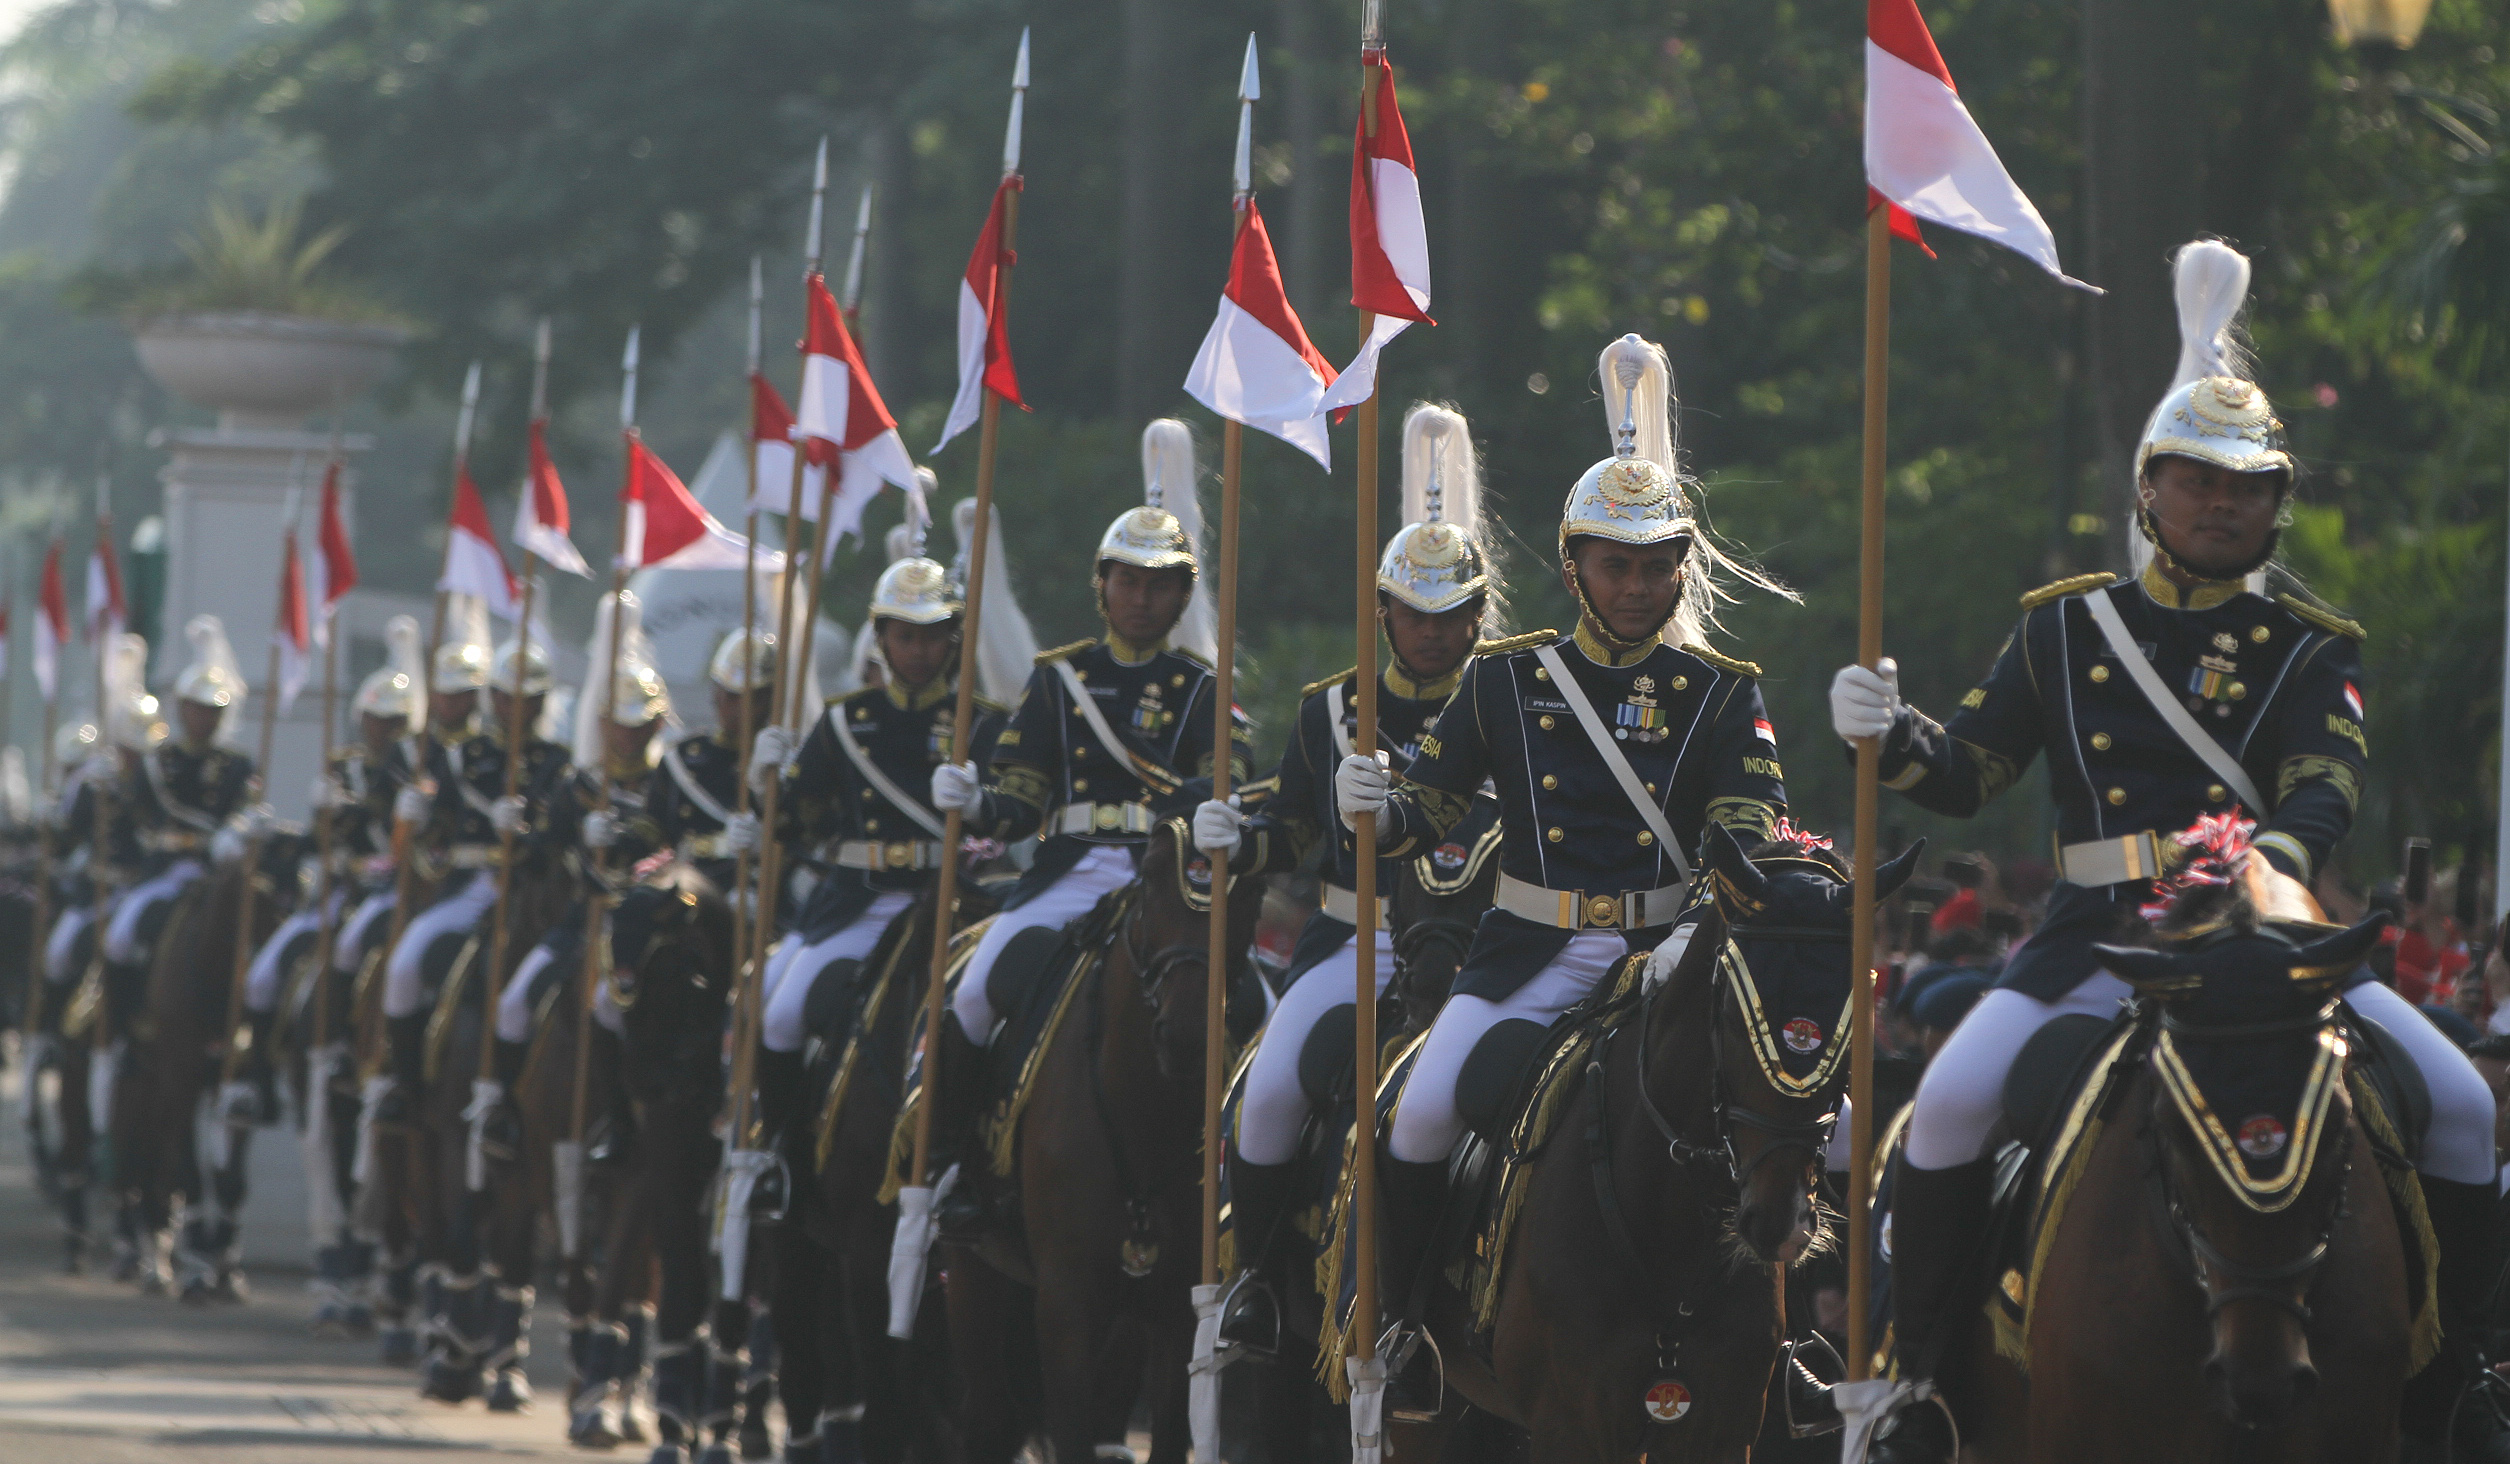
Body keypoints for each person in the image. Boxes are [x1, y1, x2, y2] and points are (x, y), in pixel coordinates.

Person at [1825, 240, 2503, 1461]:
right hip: (2096, 943)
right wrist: (1889, 736)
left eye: (2247, 487)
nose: (2222, 504)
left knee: (2455, 1102)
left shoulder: (2309, 644)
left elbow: (2324, 781)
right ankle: (1912, 1383)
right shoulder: (2061, 628)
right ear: (2148, 489)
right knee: (1945, 1110)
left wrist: (2259, 872)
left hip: (2272, 944)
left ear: (2272, 502)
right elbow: (1971, 772)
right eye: (2196, 482)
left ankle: (2456, 1383)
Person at [1336, 334, 1791, 1402]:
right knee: (1417, 1115)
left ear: (1680, 565)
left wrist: (1706, 911)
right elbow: (1431, 809)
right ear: (1573, 561)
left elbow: (1752, 818)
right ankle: (1402, 1334)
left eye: (1654, 565)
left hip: (1673, 948)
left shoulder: (1721, 689)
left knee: (1836, 1123)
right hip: (1531, 950)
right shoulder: (1504, 679)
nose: (1635, 587)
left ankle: (1822, 1352)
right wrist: (1375, 808)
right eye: (1614, 563)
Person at [1194, 402, 1499, 1343]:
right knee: (1275, 1082)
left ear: (1479, 614)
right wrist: (1235, 840)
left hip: (1492, 939)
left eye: (1453, 616)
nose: (1435, 634)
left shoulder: (1520, 703)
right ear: (1384, 613)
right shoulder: (1333, 710)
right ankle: (1255, 1279)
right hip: (1354, 933)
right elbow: (1292, 830)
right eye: (1416, 615)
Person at [925, 418, 1252, 1197]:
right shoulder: (1056, 680)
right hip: (1071, 875)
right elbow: (1021, 798)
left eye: (1161, 584)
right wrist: (975, 801)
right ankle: (953, 1163)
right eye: (1128, 581)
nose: (1142, 598)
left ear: (1182, 593)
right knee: (970, 993)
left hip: (1168, 879)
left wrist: (1221, 813)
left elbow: (1228, 776)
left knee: (1255, 1000)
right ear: (1101, 584)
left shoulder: (1206, 689)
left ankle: (1242, 1184)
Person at [742, 500, 1012, 1158]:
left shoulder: (984, 722)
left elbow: (1017, 812)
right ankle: (781, 1155)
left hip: (957, 901)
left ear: (954, 637)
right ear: (881, 638)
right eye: (905, 635)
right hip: (863, 902)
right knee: (778, 1014)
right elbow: (794, 823)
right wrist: (763, 786)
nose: (919, 650)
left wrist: (980, 801)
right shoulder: (843, 722)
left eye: (933, 635)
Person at [230, 614, 426, 1124]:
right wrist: (323, 815)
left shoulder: (420, 769)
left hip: (392, 890)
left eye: (395, 721)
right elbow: (325, 842)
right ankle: (256, 1077)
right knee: (262, 973)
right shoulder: (341, 765)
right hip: (344, 887)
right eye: (377, 719)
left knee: (350, 946)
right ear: (361, 719)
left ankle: (339, 1042)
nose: (384, 730)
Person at [374, 634, 576, 1127]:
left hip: (528, 887)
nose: (516, 708)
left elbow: (560, 834)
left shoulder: (556, 762)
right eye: (507, 697)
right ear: (493, 698)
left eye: (528, 699)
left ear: (542, 702)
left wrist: (528, 831)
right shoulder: (463, 754)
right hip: (467, 887)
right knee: (402, 967)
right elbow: (430, 839)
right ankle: (403, 1082)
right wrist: (413, 818)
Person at [101, 616, 263, 1039]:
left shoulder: (237, 764)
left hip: (215, 869)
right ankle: (125, 1026)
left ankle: (244, 1043)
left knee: (256, 939)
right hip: (165, 868)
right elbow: (133, 816)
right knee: (119, 938)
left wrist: (241, 828)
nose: (205, 718)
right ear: (181, 708)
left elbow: (246, 807)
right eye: (198, 708)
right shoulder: (159, 761)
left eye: (214, 711)